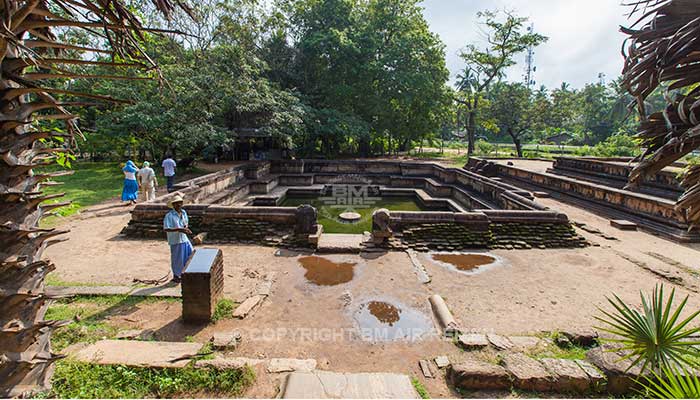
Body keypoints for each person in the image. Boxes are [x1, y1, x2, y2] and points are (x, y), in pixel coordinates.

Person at [163, 194, 193, 284]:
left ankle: (185, 273)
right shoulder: (169, 216)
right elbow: (166, 228)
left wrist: (185, 228)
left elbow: (185, 223)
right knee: (177, 259)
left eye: (180, 203)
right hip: (175, 240)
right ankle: (176, 276)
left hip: (184, 238)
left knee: (190, 255)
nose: (178, 205)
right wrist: (179, 229)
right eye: (176, 203)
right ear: (173, 205)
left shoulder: (183, 213)